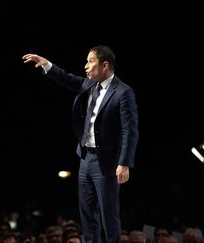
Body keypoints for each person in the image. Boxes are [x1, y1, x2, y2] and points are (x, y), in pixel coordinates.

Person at [22, 45, 139, 243]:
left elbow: (130, 129)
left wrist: (124, 162)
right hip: (85, 157)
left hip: (108, 162)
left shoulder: (123, 92)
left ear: (105, 65)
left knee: (108, 215)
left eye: (90, 61)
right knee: (87, 214)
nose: (86, 66)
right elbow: (67, 78)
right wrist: (46, 64)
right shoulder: (89, 84)